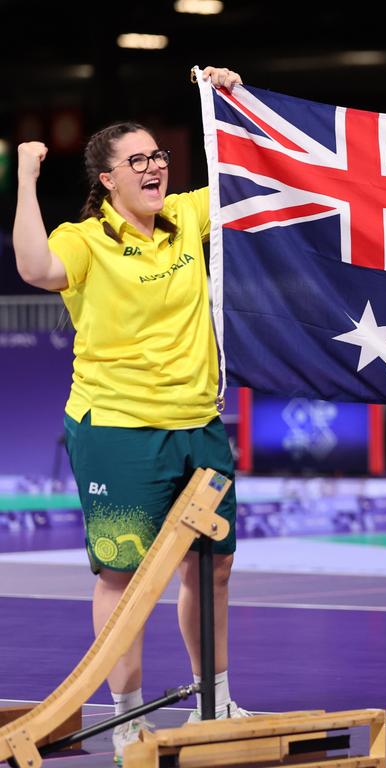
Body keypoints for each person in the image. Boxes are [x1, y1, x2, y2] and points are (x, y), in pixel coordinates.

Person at [13, 66, 251, 762]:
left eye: (159, 157)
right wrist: (27, 176)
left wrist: (232, 102)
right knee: (122, 576)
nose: (154, 168)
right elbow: (34, 269)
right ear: (108, 180)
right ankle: (124, 713)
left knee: (212, 570)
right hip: (116, 430)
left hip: (196, 425)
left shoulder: (186, 219)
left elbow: (248, 178)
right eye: (138, 160)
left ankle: (215, 696)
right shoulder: (84, 239)